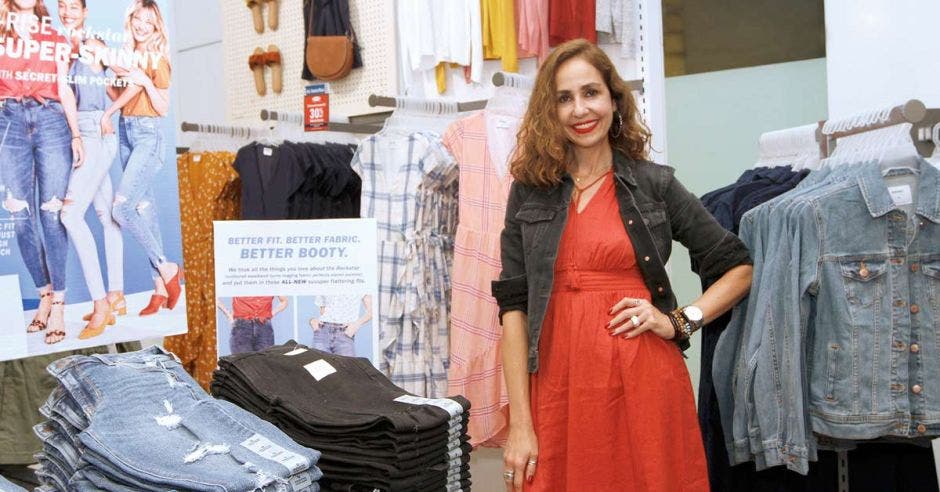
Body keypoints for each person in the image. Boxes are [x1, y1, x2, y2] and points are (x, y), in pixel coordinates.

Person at [491, 39, 753, 491]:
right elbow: (514, 309)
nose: (579, 110)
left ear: (614, 99)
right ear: (548, 112)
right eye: (564, 98)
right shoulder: (528, 191)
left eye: (590, 93)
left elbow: (737, 266)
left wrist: (679, 321)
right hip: (556, 389)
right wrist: (520, 424)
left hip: (643, 382)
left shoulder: (654, 185)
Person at [0, 0, 84, 344]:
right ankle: (44, 294)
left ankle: (60, 303)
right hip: (9, 123)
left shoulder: (53, 38)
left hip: (50, 120)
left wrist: (76, 134)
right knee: (20, 215)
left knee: (51, 214)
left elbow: (65, 88)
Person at [57, 0, 128, 339]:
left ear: (85, 12)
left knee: (70, 216)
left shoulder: (94, 45)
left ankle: (101, 303)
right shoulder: (61, 48)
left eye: (73, 6)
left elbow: (130, 76)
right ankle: (115, 294)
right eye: (61, 5)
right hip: (82, 133)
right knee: (106, 215)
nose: (67, 11)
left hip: (98, 136)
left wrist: (109, 111)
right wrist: (75, 135)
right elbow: (66, 96)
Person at [106, 0, 179, 316]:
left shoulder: (158, 59)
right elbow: (117, 98)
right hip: (126, 131)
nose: (142, 25)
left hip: (149, 134)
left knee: (121, 208)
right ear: (131, 19)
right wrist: (117, 71)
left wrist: (144, 79)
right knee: (144, 209)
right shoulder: (127, 56)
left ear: (156, 26)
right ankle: (159, 289)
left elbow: (162, 107)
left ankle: (167, 268)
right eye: (138, 18)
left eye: (149, 21)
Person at [217, 296, 289, 354]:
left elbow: (284, 301)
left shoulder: (270, 280)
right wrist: (228, 315)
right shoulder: (238, 279)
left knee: (264, 365)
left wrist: (270, 314)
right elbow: (214, 294)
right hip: (241, 326)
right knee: (241, 365)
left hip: (264, 327)